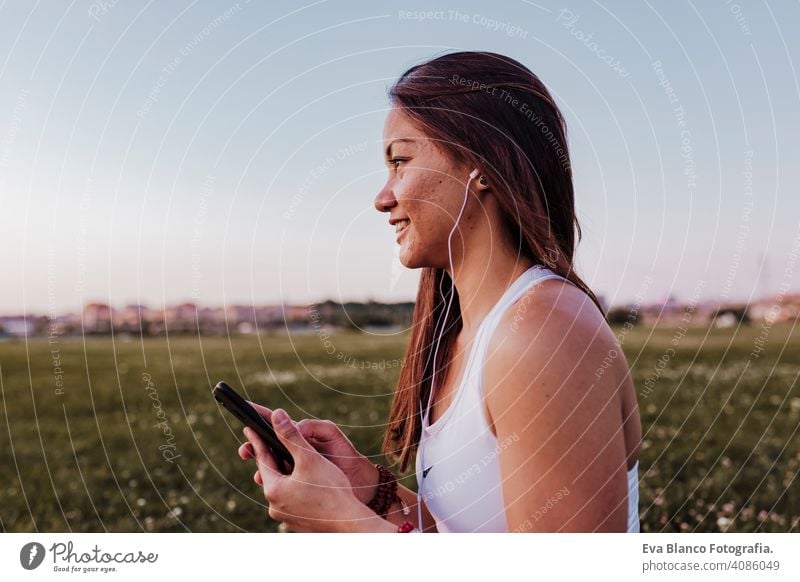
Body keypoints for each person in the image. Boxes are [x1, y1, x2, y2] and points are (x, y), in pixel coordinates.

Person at [238, 50, 642, 533]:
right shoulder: (465, 337)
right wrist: (367, 488)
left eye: (400, 161)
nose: (382, 197)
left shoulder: (541, 333)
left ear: (483, 165)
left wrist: (344, 524)